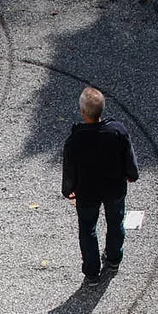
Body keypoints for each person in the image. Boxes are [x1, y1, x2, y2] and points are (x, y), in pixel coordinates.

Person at [61, 86, 140, 284]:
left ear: (82, 112)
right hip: (114, 188)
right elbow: (128, 155)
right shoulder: (117, 131)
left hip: (87, 192)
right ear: (102, 110)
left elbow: (70, 169)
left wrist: (68, 189)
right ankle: (113, 259)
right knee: (116, 222)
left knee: (87, 228)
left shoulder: (75, 140)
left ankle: (92, 271)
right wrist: (132, 174)